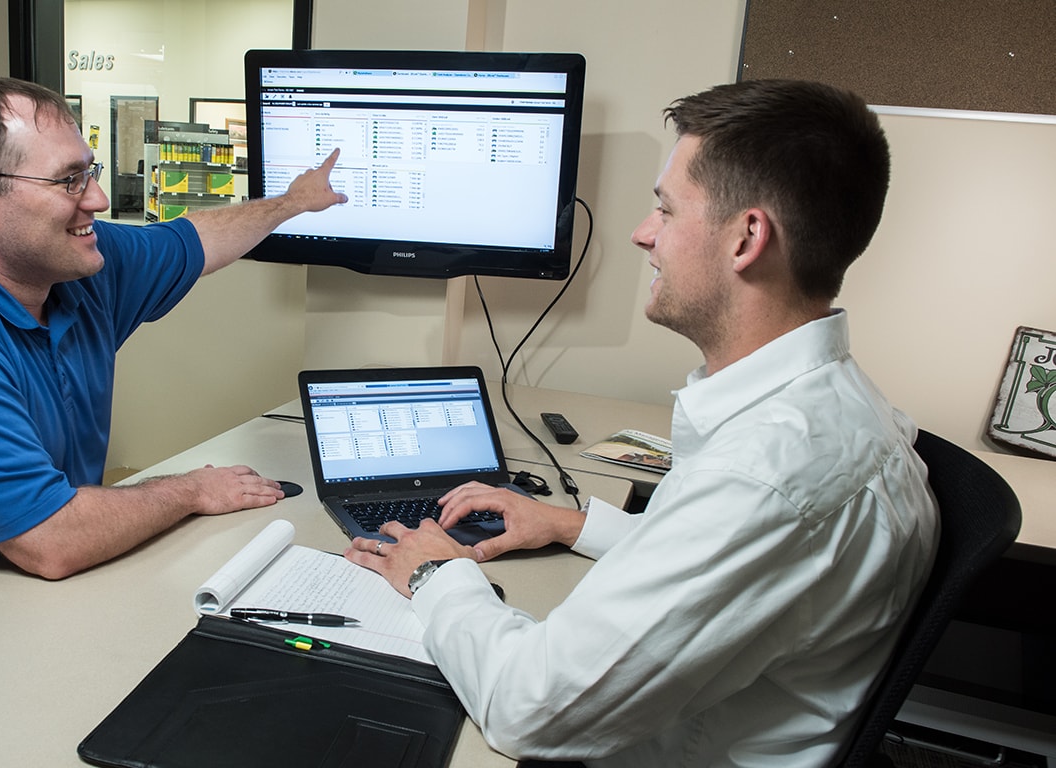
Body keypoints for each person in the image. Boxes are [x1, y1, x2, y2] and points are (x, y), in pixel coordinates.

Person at [344, 79, 940, 766]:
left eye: (665, 208)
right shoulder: (834, 406)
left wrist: (434, 576)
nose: (641, 232)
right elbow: (717, 555)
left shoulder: (767, 473)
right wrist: (572, 524)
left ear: (747, 238)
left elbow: (529, 709)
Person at [0, 76, 346, 620]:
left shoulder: (78, 266)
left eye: (91, 171)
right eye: (69, 180)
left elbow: (193, 240)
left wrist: (291, 203)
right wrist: (193, 488)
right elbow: (53, 540)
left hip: (4, 567)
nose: (97, 198)